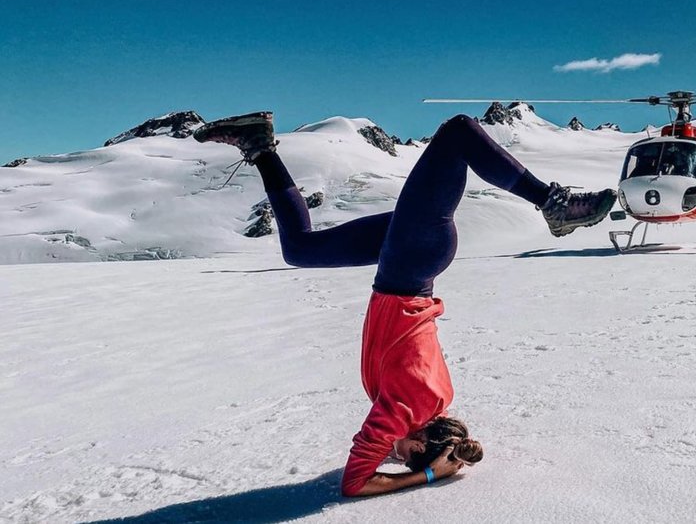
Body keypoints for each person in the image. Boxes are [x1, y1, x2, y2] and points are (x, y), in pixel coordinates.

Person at [194, 111, 616, 497]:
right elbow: (355, 483)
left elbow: (406, 437)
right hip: (410, 264)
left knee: (300, 248)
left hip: (408, 262)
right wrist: (428, 474)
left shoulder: (436, 402)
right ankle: (554, 204)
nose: (389, 454)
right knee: (458, 133)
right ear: (415, 444)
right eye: (400, 454)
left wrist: (441, 457)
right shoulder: (402, 411)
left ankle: (259, 145)